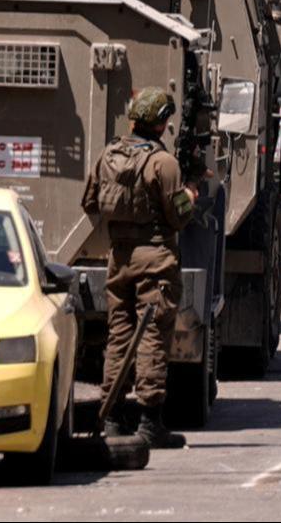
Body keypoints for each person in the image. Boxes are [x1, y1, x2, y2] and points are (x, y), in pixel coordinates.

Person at [81, 86, 197, 448]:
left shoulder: (108, 155)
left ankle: (113, 418)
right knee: (152, 338)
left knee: (118, 337)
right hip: (156, 260)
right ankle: (150, 423)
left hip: (119, 259)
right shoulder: (164, 164)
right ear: (161, 125)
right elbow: (179, 218)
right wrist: (191, 195)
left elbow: (90, 204)